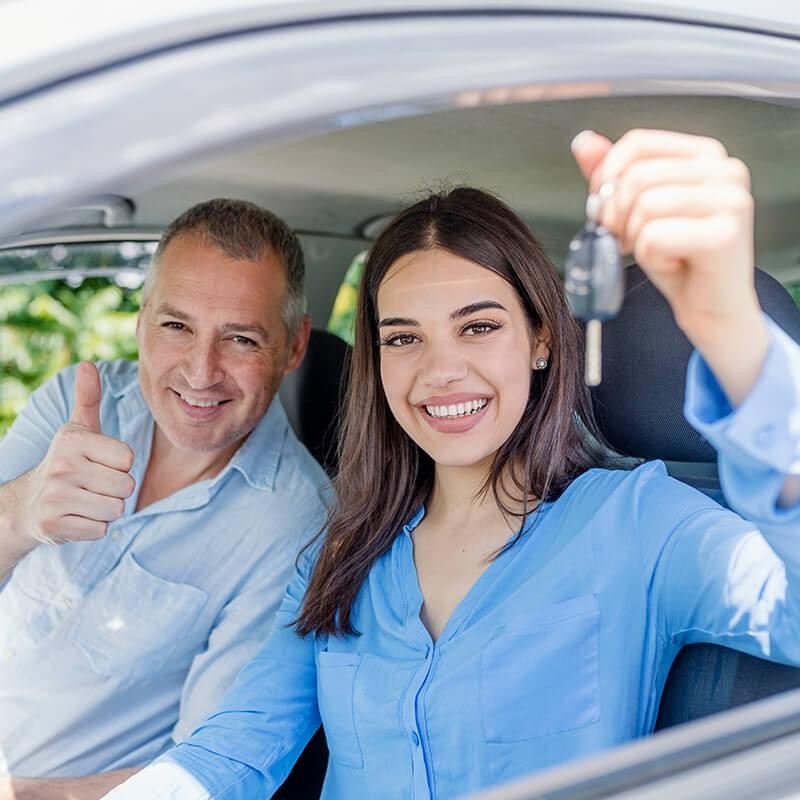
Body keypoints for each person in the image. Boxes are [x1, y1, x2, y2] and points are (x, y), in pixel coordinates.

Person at [103, 129, 800, 800]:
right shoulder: (343, 551)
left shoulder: (639, 523)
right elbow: (235, 746)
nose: (441, 372)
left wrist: (732, 333)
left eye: (479, 327)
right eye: (404, 338)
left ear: (540, 340)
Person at [0, 199, 329, 799]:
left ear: (293, 347)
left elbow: (202, 770)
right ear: (141, 320)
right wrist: (19, 513)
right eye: (177, 326)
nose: (201, 372)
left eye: (241, 339)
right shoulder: (72, 404)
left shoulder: (298, 526)